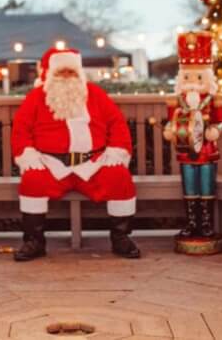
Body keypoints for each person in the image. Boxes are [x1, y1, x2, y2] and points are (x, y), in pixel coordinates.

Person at [11, 47, 139, 261]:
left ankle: (121, 238)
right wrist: (28, 155)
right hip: (51, 163)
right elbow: (21, 130)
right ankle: (33, 241)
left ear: (79, 73)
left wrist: (116, 152)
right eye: (62, 73)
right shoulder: (36, 97)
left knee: (119, 178)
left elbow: (117, 123)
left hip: (92, 163)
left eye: (72, 72)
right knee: (32, 181)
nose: (67, 77)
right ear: (51, 74)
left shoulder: (95, 94)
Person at [162, 31, 222, 255]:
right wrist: (170, 130)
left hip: (207, 151)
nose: (192, 83)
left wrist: (214, 131)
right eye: (187, 78)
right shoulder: (176, 101)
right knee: (189, 188)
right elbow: (172, 123)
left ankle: (207, 224)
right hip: (185, 152)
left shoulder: (215, 99)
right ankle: (192, 223)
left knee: (206, 188)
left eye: (198, 78)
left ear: (206, 78)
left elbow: (221, 122)